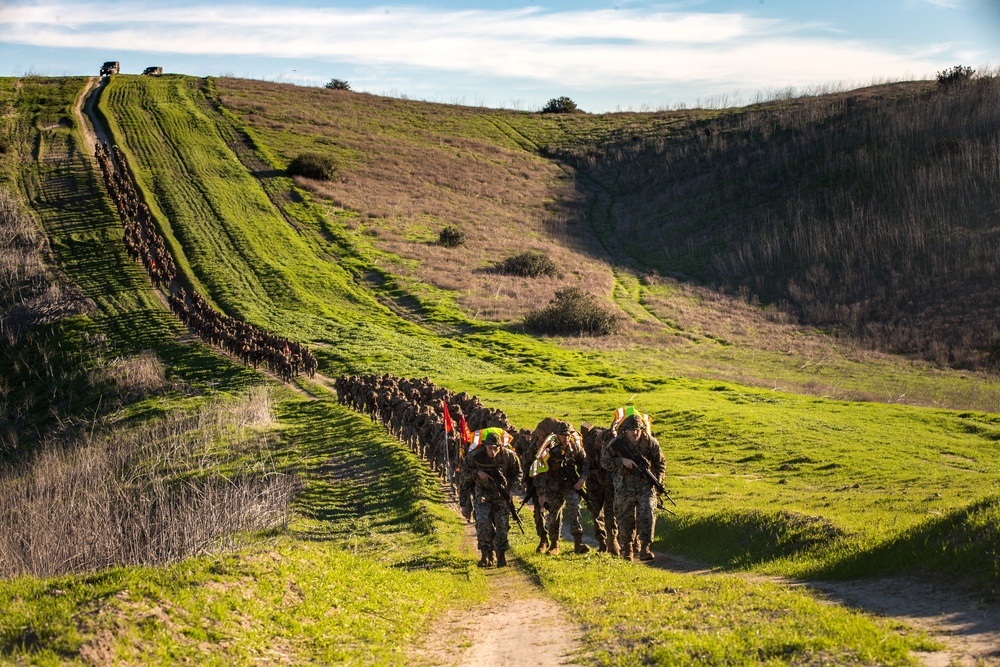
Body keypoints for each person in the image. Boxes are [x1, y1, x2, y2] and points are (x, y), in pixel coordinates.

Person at [601, 413, 664, 561]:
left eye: (638, 429)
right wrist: (622, 461)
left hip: (645, 486)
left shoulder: (650, 442)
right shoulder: (618, 442)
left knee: (647, 512)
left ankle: (645, 548)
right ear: (625, 430)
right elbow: (604, 461)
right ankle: (627, 549)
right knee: (624, 517)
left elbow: (660, 463)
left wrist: (658, 481)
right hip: (624, 486)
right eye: (632, 430)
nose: (635, 433)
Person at [464, 432, 522, 567]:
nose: (493, 451)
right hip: (482, 494)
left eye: (496, 448)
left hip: (501, 495)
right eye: (490, 448)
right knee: (483, 523)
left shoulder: (508, 455)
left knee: (502, 525)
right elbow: (464, 472)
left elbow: (517, 473)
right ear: (485, 447)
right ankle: (486, 554)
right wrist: (477, 473)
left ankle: (500, 555)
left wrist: (511, 490)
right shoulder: (475, 456)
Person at [531, 422, 590, 555]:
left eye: (568, 435)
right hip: (553, 486)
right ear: (556, 435)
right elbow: (539, 470)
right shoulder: (547, 449)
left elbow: (585, 463)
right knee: (554, 514)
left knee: (575, 508)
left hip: (570, 485)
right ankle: (554, 544)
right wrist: (541, 493)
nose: (565, 438)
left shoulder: (575, 447)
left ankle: (578, 542)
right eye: (562, 435)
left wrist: (582, 479)